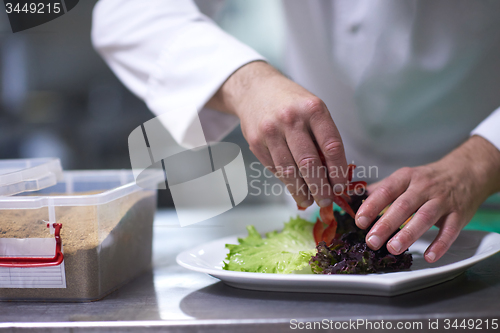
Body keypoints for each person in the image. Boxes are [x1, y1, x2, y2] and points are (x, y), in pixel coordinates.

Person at [91, 0, 500, 263]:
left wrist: (480, 162)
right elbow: (126, 12)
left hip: (485, 200)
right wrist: (246, 81)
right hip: (324, 217)